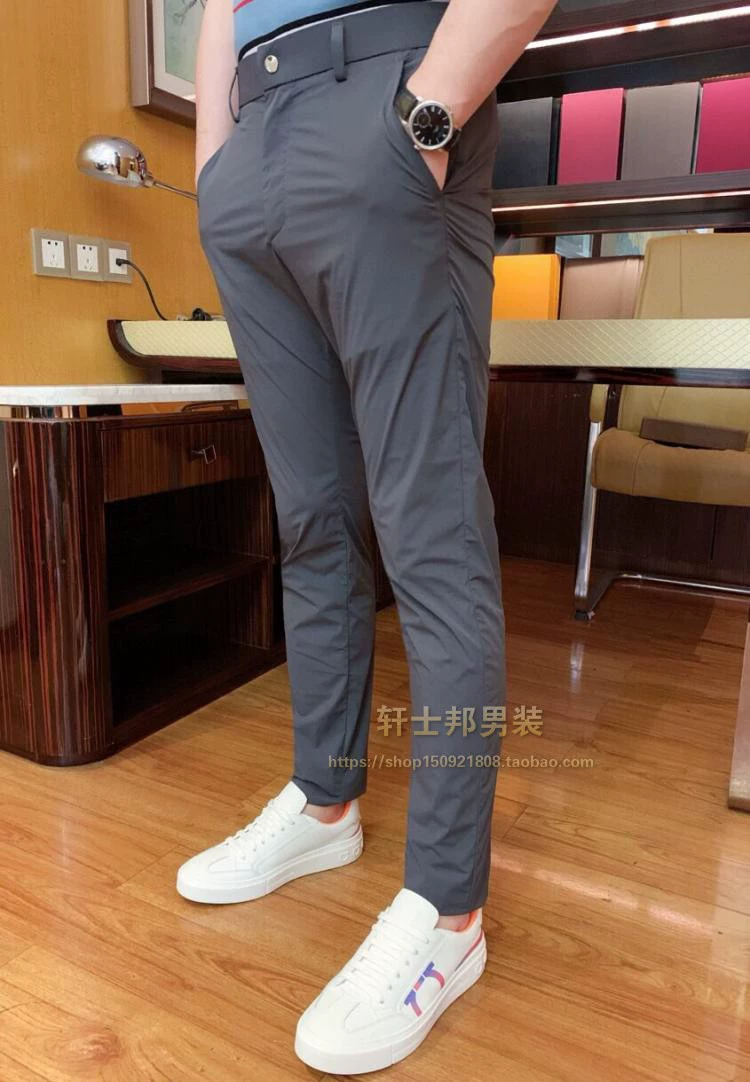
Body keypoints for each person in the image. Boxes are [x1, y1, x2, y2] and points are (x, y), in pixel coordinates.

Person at [178, 0, 556, 1072]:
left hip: (387, 98)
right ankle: (324, 798)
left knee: (431, 535)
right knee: (311, 519)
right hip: (255, 142)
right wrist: (216, 168)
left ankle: (447, 908)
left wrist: (426, 114)